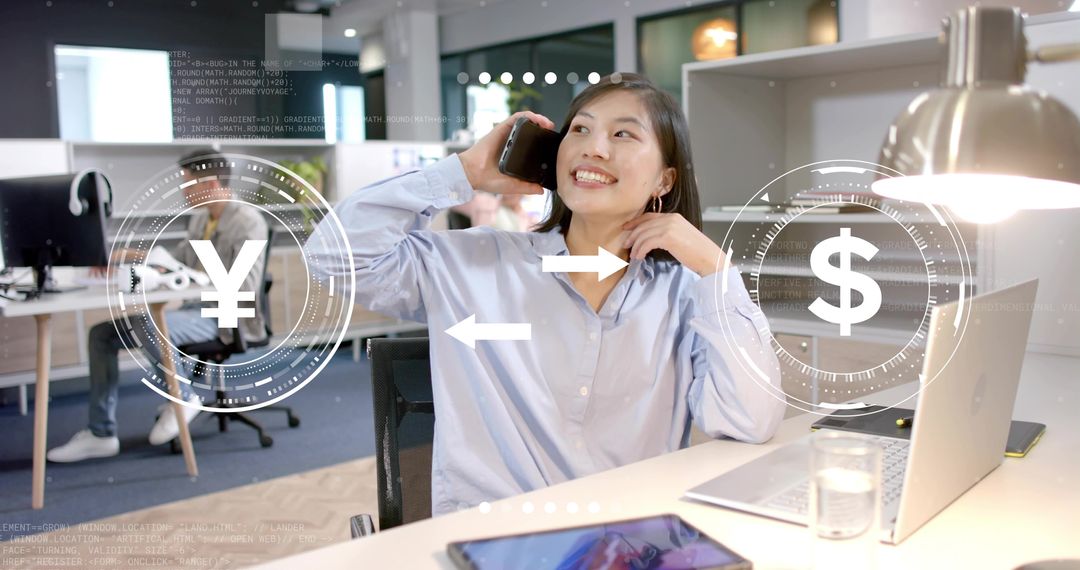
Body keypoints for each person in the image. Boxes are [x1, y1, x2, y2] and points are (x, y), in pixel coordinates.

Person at [306, 73, 784, 515]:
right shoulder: (474, 264)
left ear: (665, 179)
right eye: (579, 130)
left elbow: (750, 422)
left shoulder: (685, 294)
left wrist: (715, 269)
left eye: (623, 134)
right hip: (495, 543)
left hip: (630, 541)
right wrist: (465, 173)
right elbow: (330, 256)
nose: (594, 148)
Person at [47, 149, 269, 462]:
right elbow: (173, 259)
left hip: (229, 315)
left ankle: (185, 397)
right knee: (102, 334)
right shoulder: (202, 220)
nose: (184, 191)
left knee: (147, 322)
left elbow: (243, 287)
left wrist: (190, 279)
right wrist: (123, 256)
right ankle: (100, 433)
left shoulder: (247, 222)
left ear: (210, 183)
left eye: (188, 184)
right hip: (195, 310)